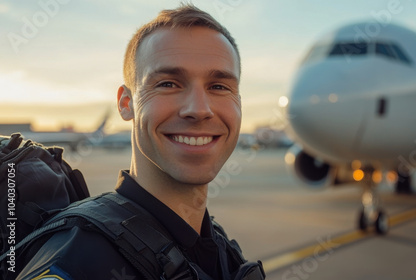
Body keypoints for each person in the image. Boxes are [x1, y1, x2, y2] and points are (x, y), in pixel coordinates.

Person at [17, 4, 263, 280]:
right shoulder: (79, 261)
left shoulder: (214, 244)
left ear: (239, 103)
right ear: (126, 103)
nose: (199, 109)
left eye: (219, 87)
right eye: (168, 83)